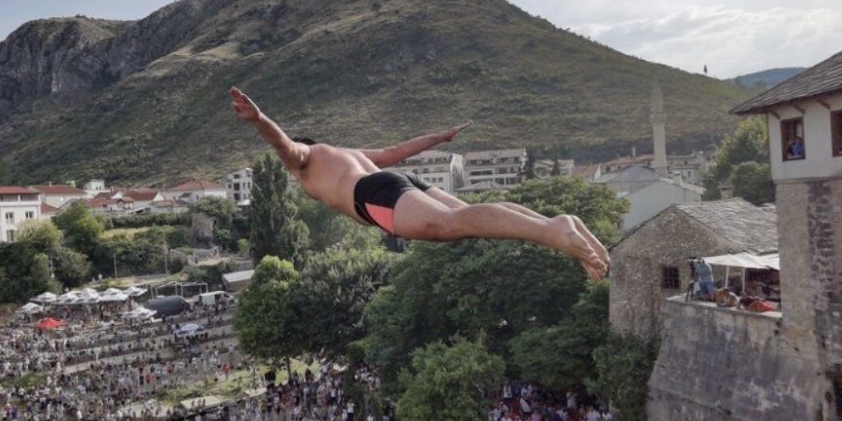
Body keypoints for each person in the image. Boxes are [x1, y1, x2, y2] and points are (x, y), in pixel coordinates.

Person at [230, 87, 609, 280]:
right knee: (467, 216)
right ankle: (558, 226)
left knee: (448, 227)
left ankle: (552, 229)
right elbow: (395, 151)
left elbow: (282, 143)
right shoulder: (344, 152)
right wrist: (439, 138)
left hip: (373, 195)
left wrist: (259, 119)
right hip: (393, 179)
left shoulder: (305, 162)